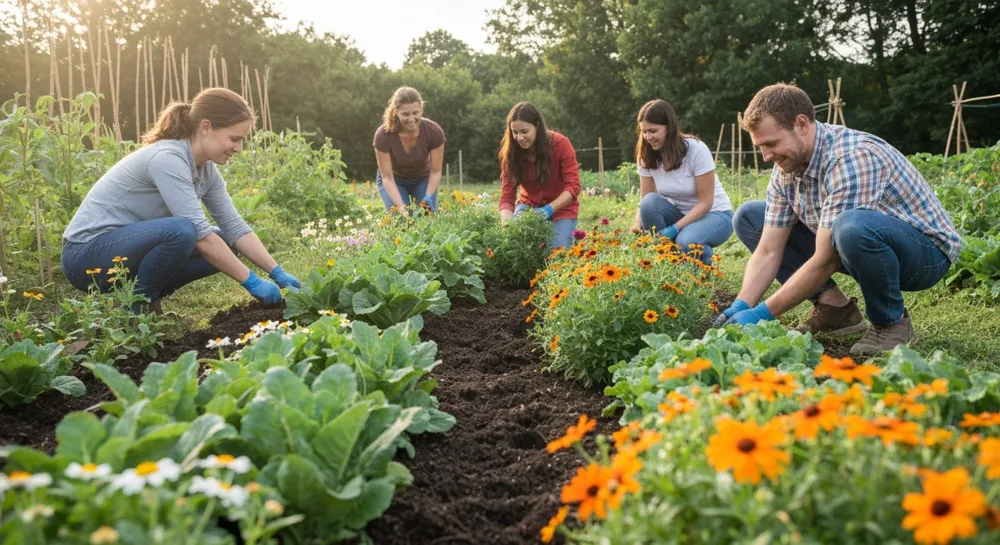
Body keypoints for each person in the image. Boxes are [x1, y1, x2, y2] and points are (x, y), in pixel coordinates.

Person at [716, 83, 961, 356]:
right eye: (760, 146)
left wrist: (762, 313)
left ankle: (890, 322)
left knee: (851, 227)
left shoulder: (852, 157)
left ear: (801, 124)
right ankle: (835, 309)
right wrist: (742, 304)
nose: (766, 156)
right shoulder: (786, 168)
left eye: (772, 143)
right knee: (750, 217)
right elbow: (769, 249)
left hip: (924, 255)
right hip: (859, 241)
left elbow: (826, 259)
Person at [62, 88, 300, 313]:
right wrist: (252, 281)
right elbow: (198, 233)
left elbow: (235, 227)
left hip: (125, 252)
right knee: (183, 230)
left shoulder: (206, 170)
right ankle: (140, 306)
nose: (239, 148)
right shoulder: (167, 158)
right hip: (85, 256)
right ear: (206, 127)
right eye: (234, 138)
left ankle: (144, 293)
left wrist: (276, 272)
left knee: (226, 241)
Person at [631, 99, 734, 264]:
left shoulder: (696, 150)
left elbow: (705, 203)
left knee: (685, 241)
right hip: (680, 214)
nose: (648, 137)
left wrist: (675, 229)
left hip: (715, 214)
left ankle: (699, 274)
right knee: (649, 203)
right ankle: (671, 266)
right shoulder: (646, 154)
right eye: (644, 131)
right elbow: (645, 198)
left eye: (653, 131)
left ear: (669, 128)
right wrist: (637, 226)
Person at [498, 102, 581, 248]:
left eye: (524, 131)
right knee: (518, 247)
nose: (520, 137)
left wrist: (548, 210)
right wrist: (507, 226)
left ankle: (568, 237)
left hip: (562, 209)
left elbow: (573, 187)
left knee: (556, 252)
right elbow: (507, 196)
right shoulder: (511, 154)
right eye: (515, 132)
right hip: (528, 207)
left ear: (537, 126)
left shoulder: (561, 144)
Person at [373, 86, 445, 214]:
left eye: (415, 113)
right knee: (400, 219)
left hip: (423, 178)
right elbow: (387, 177)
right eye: (405, 114)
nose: (411, 119)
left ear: (421, 110)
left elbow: (435, 171)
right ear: (395, 112)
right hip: (394, 180)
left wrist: (428, 196)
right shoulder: (383, 135)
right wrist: (400, 206)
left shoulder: (434, 132)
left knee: (427, 217)